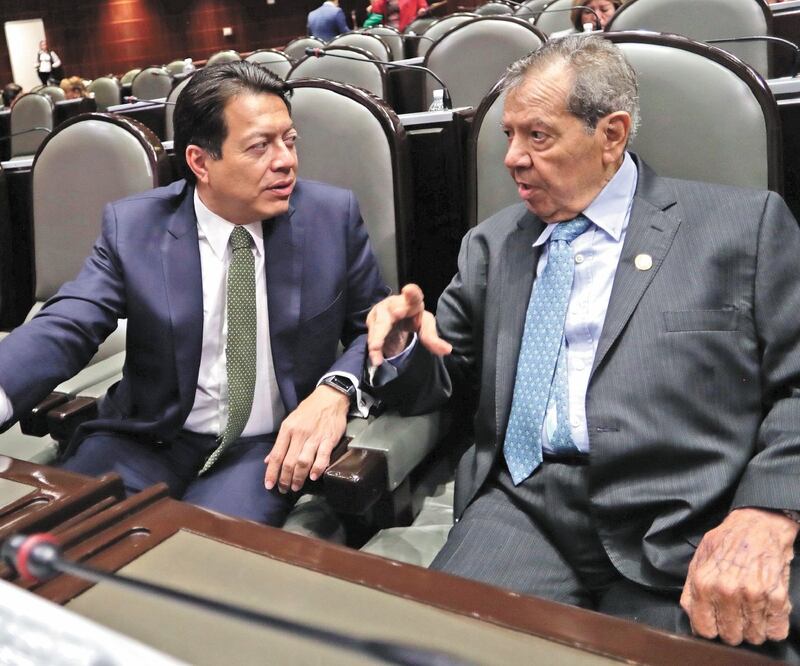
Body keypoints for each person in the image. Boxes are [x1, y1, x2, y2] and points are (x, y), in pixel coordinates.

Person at [366, 35, 800, 661]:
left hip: (686, 515)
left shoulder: (740, 227)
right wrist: (405, 346)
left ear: (612, 135)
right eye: (509, 135)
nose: (512, 158)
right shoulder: (490, 247)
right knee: (432, 651)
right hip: (524, 508)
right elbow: (444, 382)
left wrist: (768, 512)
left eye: (537, 136)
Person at [0, 61, 389, 527]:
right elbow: (67, 324)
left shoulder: (330, 217)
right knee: (56, 540)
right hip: (145, 437)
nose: (285, 160)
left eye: (289, 140)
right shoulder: (136, 227)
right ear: (200, 162)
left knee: (201, 563)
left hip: (261, 448)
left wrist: (335, 390)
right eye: (260, 146)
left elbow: (377, 327)